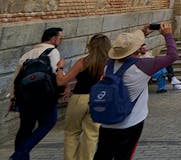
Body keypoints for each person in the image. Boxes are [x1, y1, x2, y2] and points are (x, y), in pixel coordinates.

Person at [93, 23, 178, 159]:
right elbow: (173, 55)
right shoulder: (143, 66)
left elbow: (124, 49)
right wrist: (167, 34)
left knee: (103, 155)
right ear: (137, 50)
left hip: (107, 121)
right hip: (131, 122)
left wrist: (142, 33)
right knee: (124, 156)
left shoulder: (108, 64)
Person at [11, 27, 67, 160]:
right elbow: (56, 74)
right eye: (60, 38)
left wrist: (13, 97)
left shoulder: (27, 54)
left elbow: (16, 77)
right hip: (45, 97)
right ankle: (19, 154)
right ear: (53, 39)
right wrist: (62, 72)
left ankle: (20, 156)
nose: (61, 40)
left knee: (25, 128)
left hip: (25, 97)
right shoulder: (53, 52)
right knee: (49, 122)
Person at [63, 34, 111, 160]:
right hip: (99, 100)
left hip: (79, 98)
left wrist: (59, 68)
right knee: (92, 135)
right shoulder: (109, 64)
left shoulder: (83, 62)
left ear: (91, 46)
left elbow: (62, 81)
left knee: (72, 132)